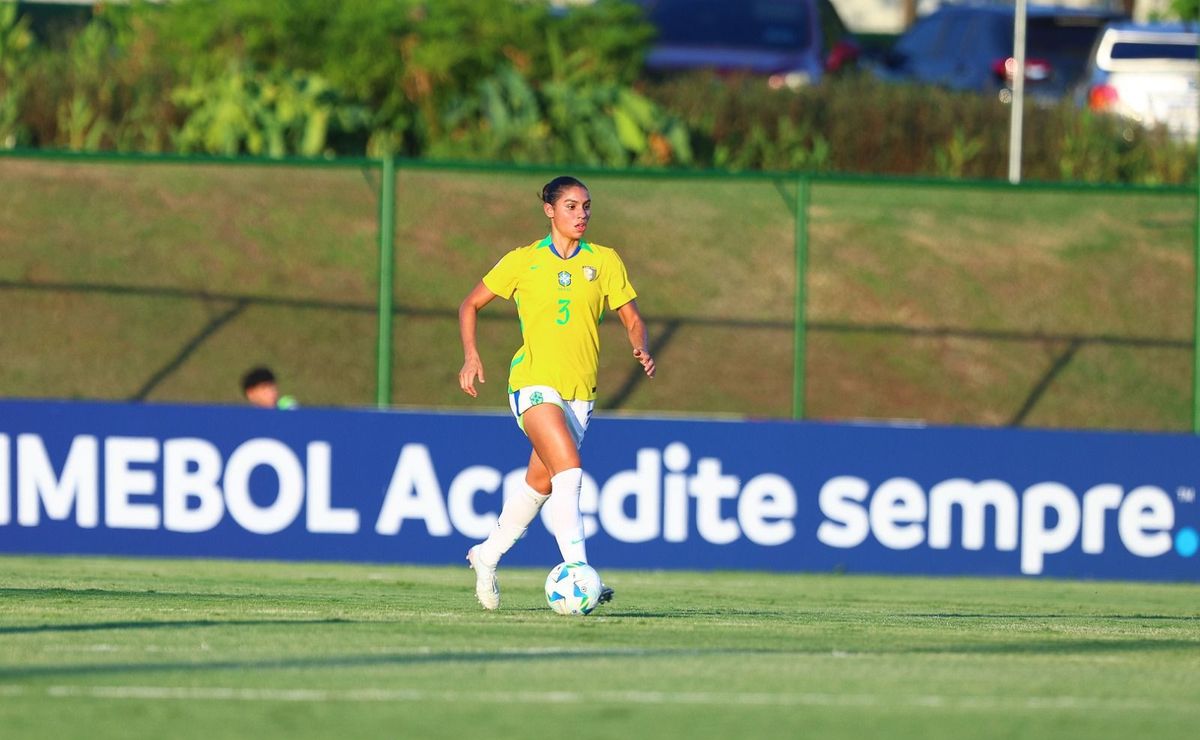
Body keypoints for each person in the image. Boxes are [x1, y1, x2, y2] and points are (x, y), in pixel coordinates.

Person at [458, 175, 655, 610]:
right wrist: (472, 356)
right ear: (549, 210)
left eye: (586, 206)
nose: (581, 214)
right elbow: (469, 304)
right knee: (569, 469)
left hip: (579, 394)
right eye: (571, 206)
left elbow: (632, 317)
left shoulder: (604, 262)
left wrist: (639, 343)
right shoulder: (522, 261)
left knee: (541, 482)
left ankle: (486, 555)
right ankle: (580, 572)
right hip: (531, 383)